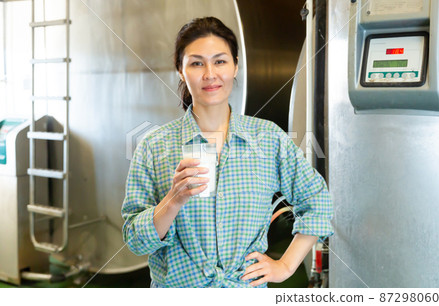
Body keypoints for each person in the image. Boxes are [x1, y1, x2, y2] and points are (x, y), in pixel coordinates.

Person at [121, 16, 333, 288]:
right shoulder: (154, 146)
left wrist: (285, 265)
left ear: (235, 66)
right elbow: (134, 240)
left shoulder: (267, 138)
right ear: (180, 70)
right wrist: (172, 201)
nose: (210, 74)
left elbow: (317, 201)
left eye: (220, 61)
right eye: (197, 63)